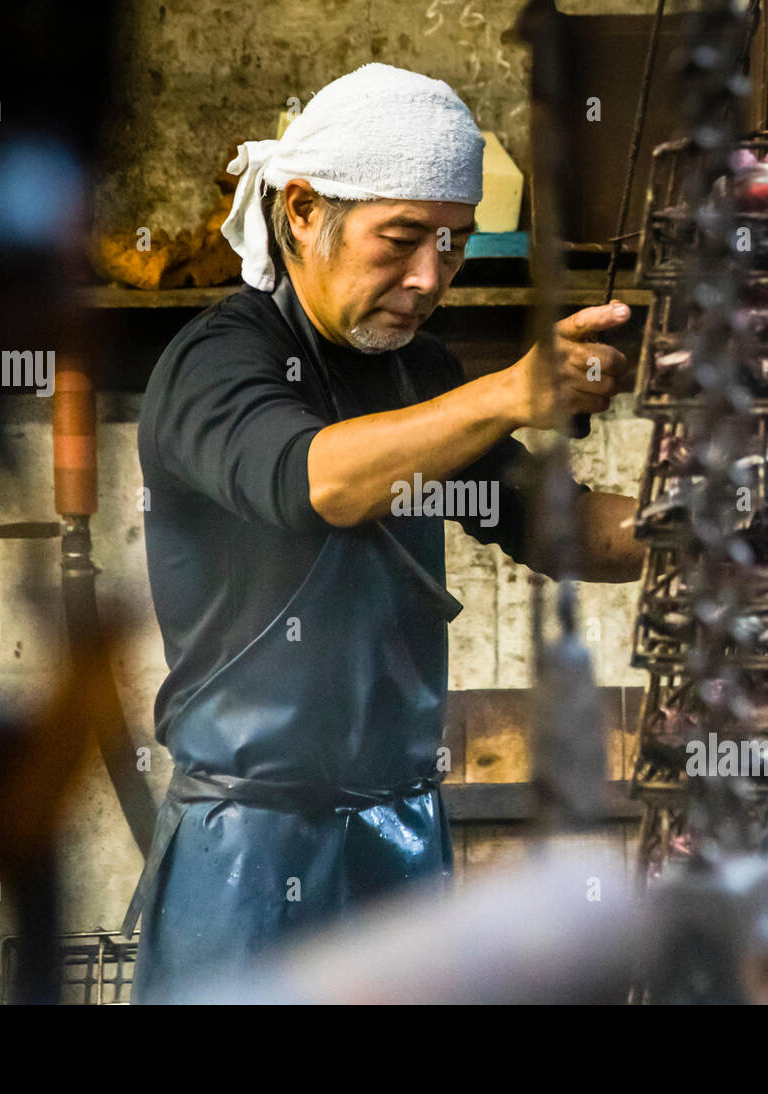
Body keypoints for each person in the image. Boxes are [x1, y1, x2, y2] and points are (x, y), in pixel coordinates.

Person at [126, 62, 645, 1003]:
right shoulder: (219, 359)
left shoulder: (422, 370)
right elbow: (319, 479)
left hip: (401, 840)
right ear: (301, 212)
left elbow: (556, 529)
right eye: (402, 240)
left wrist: (729, 518)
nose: (429, 278)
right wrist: (506, 392)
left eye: (452, 246)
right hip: (248, 852)